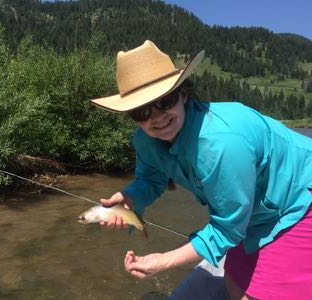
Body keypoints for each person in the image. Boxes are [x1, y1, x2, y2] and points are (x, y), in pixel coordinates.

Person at [91, 40, 312, 299]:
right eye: (142, 111)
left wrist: (163, 261)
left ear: (183, 93)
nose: (157, 116)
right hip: (251, 208)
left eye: (166, 100)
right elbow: (151, 179)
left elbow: (228, 229)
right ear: (131, 115)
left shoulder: (220, 143)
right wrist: (131, 197)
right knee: (234, 282)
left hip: (299, 197)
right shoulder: (143, 141)